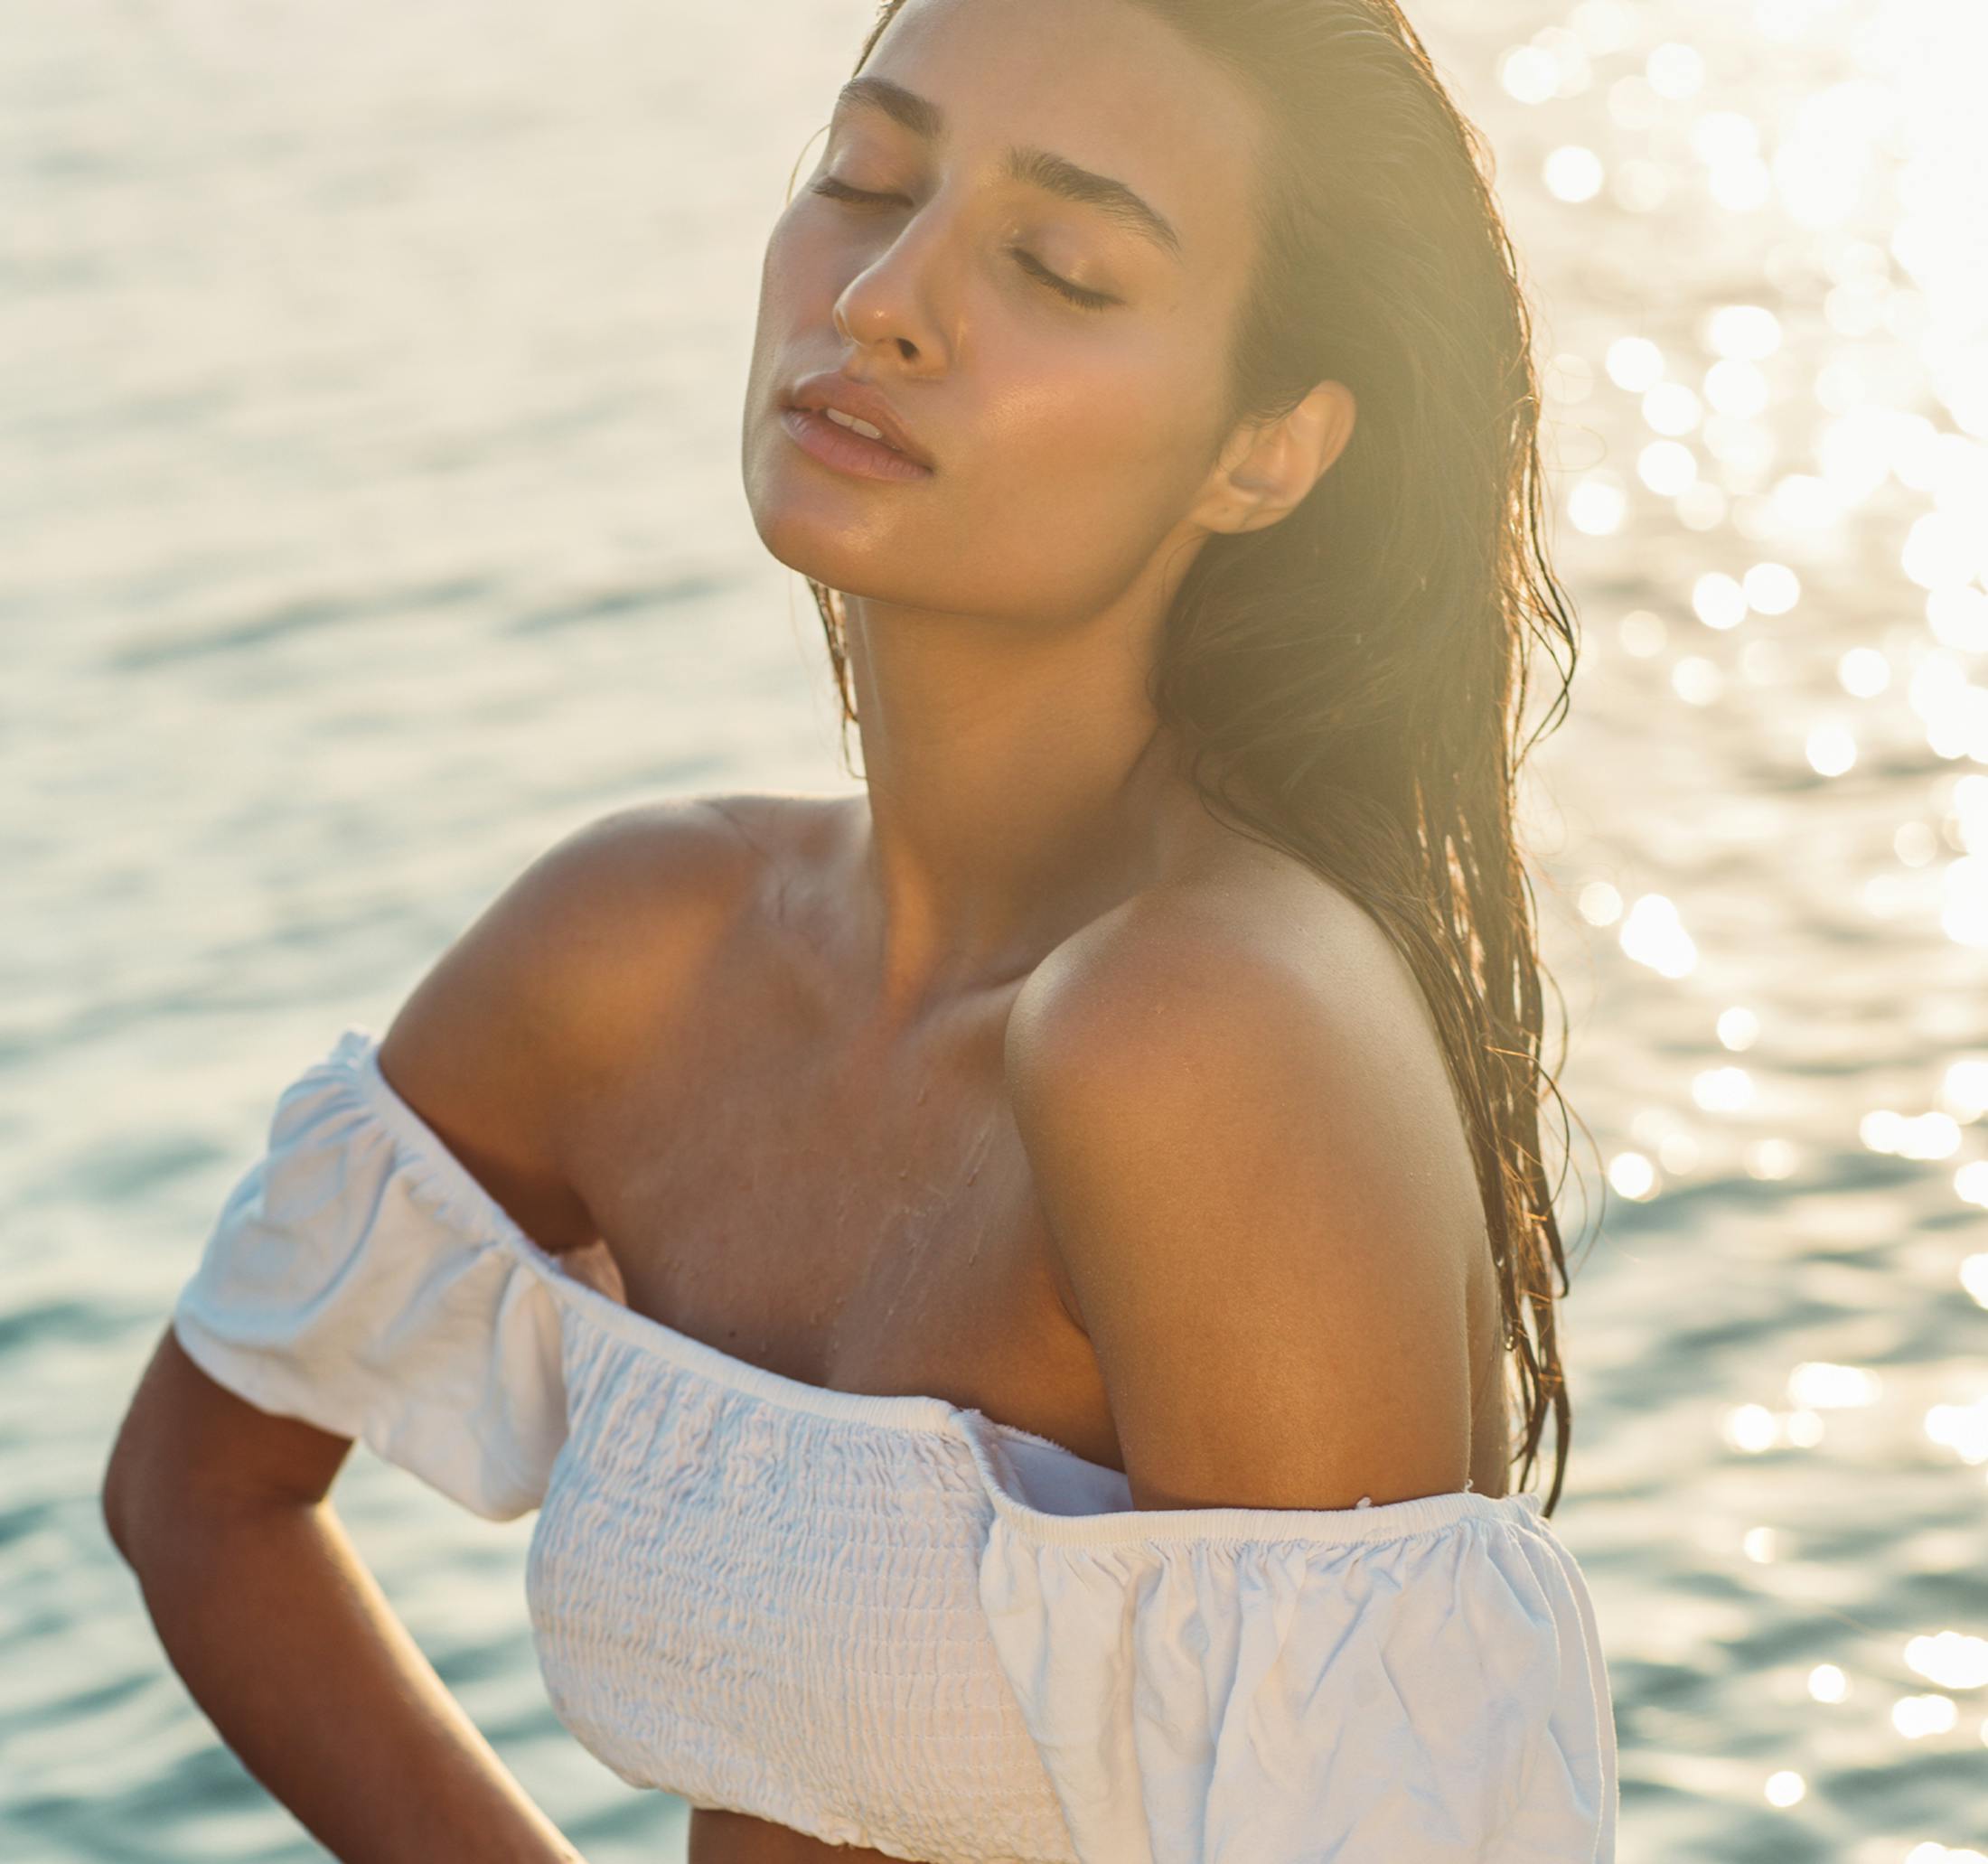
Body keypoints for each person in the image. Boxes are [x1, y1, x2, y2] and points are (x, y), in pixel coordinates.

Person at [103, 0, 1618, 1858]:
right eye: (864, 175)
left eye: (1058, 268)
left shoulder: (1204, 1035)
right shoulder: (635, 944)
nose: (883, 293)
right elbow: (203, 1487)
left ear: (1264, 452)